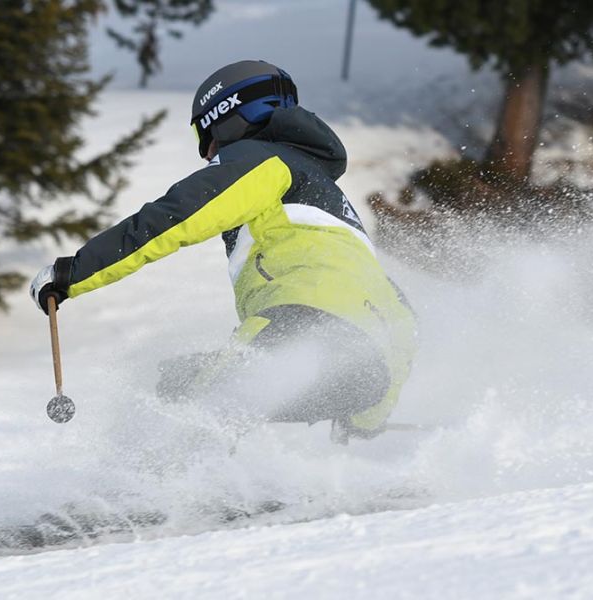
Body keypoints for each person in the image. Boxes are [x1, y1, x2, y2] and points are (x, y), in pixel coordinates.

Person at [29, 60, 416, 443]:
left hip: (298, 327)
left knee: (175, 395)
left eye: (207, 136)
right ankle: (258, 490)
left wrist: (73, 274)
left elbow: (174, 217)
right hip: (367, 367)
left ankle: (146, 498)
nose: (207, 153)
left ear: (230, 117)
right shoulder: (335, 206)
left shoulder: (261, 161)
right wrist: (367, 418)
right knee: (197, 387)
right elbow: (401, 317)